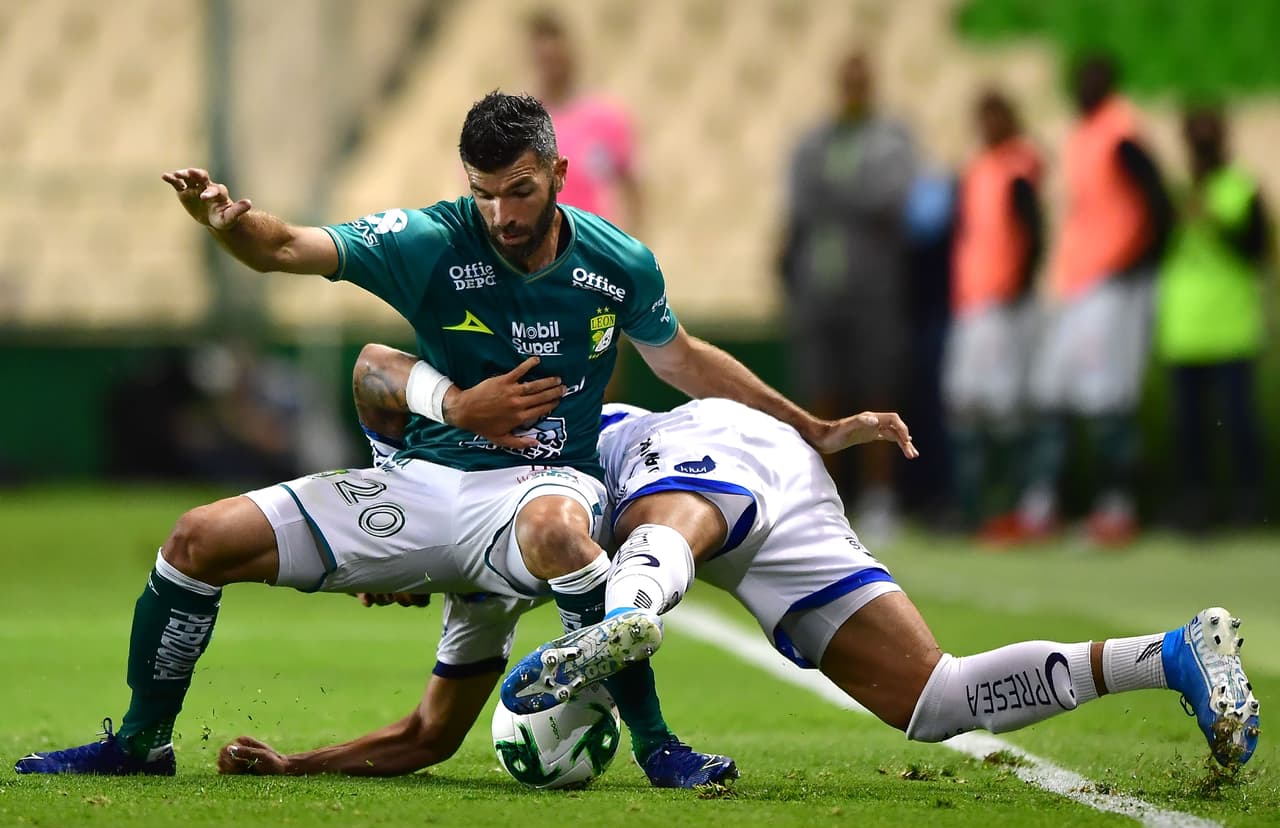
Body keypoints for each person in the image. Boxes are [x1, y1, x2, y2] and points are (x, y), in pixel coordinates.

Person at [14, 92, 876, 786]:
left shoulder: (618, 263)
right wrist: (225, 222)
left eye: (520, 190)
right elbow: (281, 248)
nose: (501, 213)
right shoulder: (430, 240)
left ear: (559, 174)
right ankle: (140, 741)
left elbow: (682, 359)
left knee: (558, 532)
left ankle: (659, 747)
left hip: (543, 484)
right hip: (423, 487)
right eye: (484, 191)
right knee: (195, 538)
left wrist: (810, 425)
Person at [215, 345, 1259, 776]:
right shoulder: (473, 604)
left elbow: (377, 371)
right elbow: (426, 733)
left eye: (369, 568)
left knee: (662, 524)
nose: (373, 587)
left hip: (698, 453)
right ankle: (1167, 653)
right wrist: (290, 767)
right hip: (779, 510)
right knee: (930, 700)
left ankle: (634, 604)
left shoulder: (480, 479)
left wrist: (807, 419)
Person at [1013, 55, 1173, 547]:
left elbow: (1159, 203)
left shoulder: (1120, 132)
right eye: (1080, 76)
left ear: (1110, 83)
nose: (1085, 85)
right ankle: (1043, 506)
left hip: (1113, 286)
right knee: (1052, 392)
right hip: (1077, 285)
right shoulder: (1082, 134)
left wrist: (1136, 265)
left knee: (1107, 399)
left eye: (1094, 77)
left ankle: (1116, 508)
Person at [779, 48, 918, 544]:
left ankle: (880, 497)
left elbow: (890, 199)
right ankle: (828, 498)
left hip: (876, 288)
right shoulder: (814, 142)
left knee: (877, 389)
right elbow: (799, 207)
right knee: (824, 393)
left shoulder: (891, 138)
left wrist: (836, 193)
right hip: (821, 287)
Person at [1155, 105, 1272, 532]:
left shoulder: (1240, 187)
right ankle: (1194, 506)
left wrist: (1215, 221)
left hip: (1230, 327)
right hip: (1183, 328)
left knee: (1239, 425)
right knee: (1188, 432)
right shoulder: (1175, 192)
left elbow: (1258, 249)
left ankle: (1249, 506)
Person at [944, 89, 1043, 536]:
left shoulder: (1019, 167)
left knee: (1005, 409)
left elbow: (1034, 232)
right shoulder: (977, 169)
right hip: (972, 303)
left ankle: (1012, 506)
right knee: (965, 403)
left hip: (1003, 307)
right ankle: (975, 506)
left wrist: (1017, 289)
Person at [527, 11, 643, 232]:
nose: (552, 67)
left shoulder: (607, 117)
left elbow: (632, 190)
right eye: (544, 59)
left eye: (556, 57)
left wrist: (630, 249)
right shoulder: (517, 125)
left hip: (596, 252)